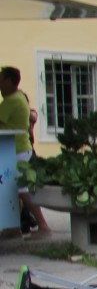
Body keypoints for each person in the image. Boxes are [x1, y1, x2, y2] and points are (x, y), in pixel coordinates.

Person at [0, 66, 50, 236]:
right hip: (18, 149)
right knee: (11, 189)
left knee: (23, 191)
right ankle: (13, 228)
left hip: (16, 150)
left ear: (8, 81)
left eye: (1, 79)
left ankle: (43, 226)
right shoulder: (20, 96)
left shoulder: (11, 101)